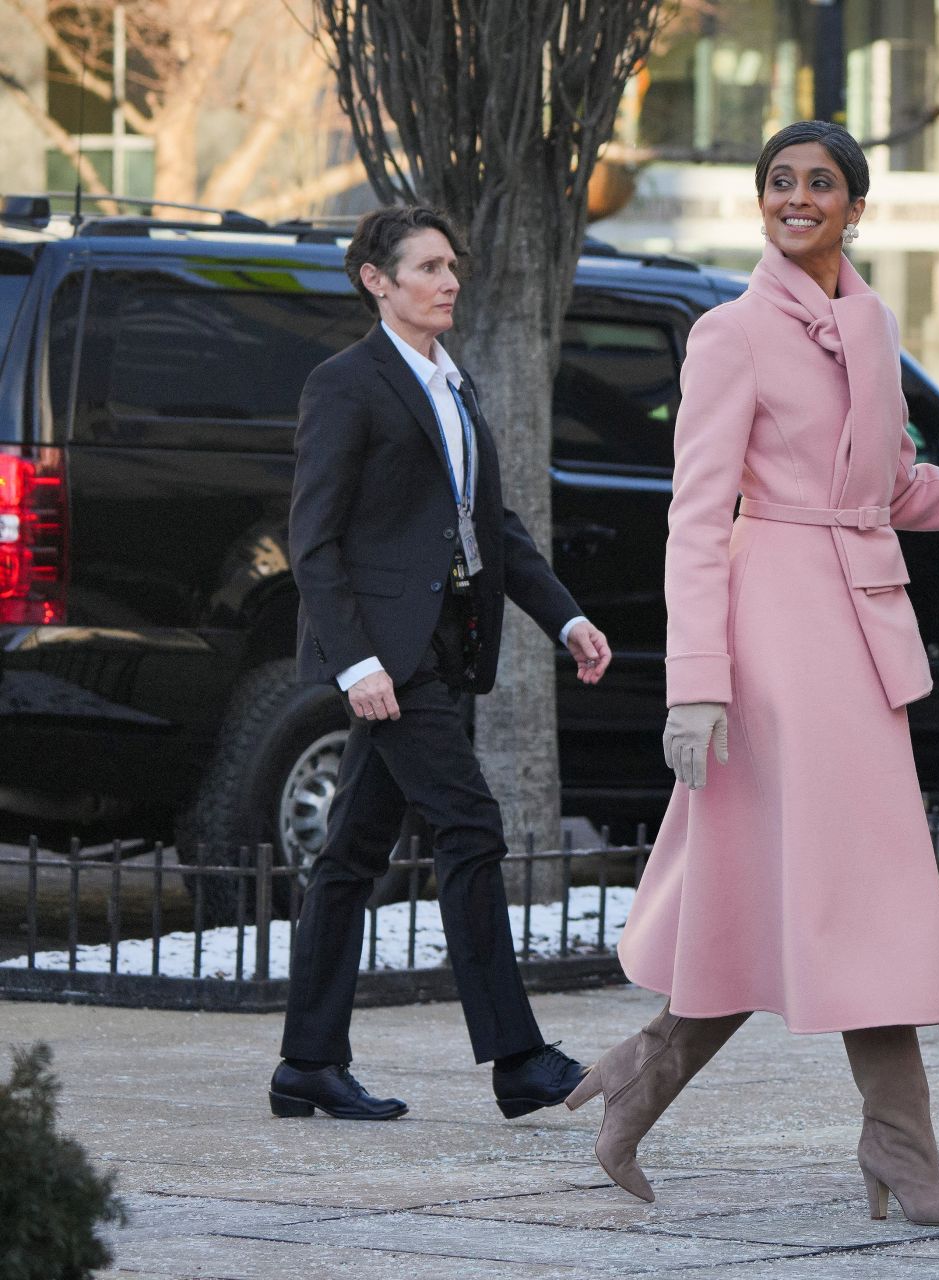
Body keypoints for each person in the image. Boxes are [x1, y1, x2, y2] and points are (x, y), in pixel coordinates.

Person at [578, 121, 939, 1227]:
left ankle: (644, 1079)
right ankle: (900, 1150)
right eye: (779, 182)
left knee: (802, 896)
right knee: (851, 892)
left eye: (821, 183)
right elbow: (697, 519)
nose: (796, 197)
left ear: (858, 206)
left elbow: (892, 490)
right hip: (773, 640)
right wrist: (695, 680)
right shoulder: (730, 333)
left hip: (860, 633)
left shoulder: (870, 321)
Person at [271, 205, 613, 1123]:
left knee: (348, 859)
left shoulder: (453, 383)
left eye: (451, 265)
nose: (449, 280)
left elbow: (488, 526)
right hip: (391, 663)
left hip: (440, 650)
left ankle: (307, 1062)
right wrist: (356, 665)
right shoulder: (347, 384)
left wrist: (564, 618)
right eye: (427, 267)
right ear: (376, 281)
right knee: (470, 827)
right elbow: (315, 542)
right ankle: (517, 1058)